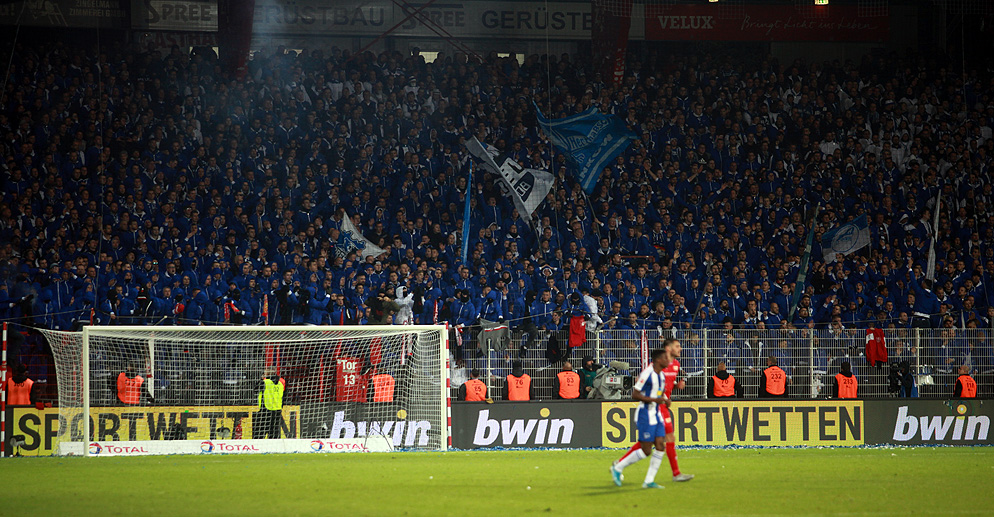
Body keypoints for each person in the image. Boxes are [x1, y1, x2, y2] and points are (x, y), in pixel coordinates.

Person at [610, 339, 693, 488]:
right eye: (677, 346)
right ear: (666, 351)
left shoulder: (667, 370)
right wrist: (658, 399)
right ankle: (619, 465)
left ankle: (650, 480)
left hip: (658, 410)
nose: (680, 348)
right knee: (647, 447)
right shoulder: (650, 371)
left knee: (660, 444)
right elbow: (636, 392)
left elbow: (662, 389)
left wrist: (668, 397)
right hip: (648, 412)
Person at [256, 369, 286, 438]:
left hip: (266, 409)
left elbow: (256, 389)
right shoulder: (281, 383)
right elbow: (284, 395)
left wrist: (261, 379)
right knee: (274, 432)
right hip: (277, 410)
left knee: (261, 432)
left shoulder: (265, 382)